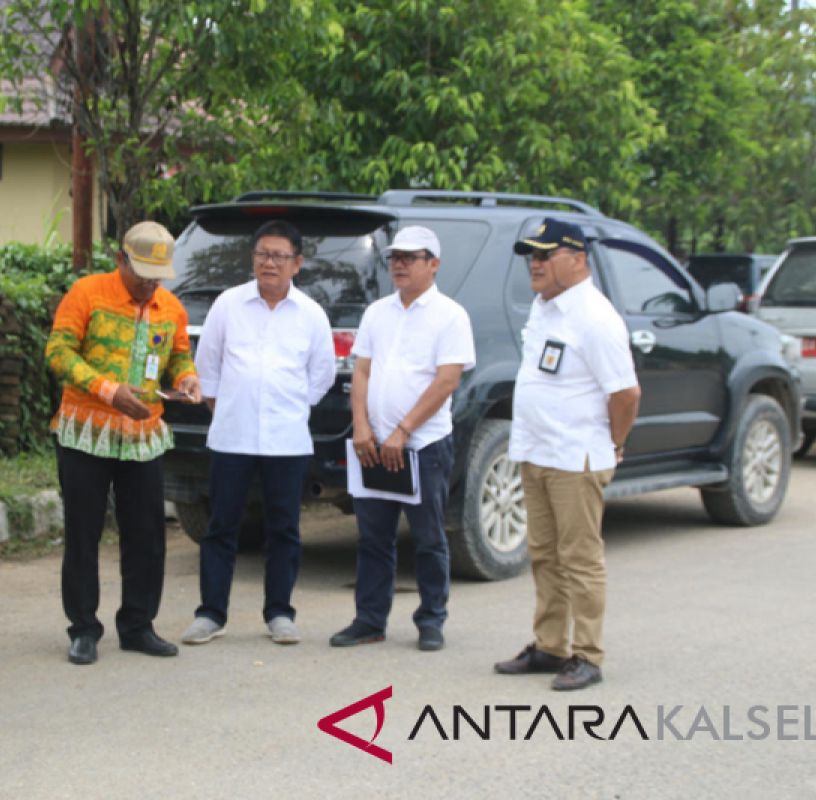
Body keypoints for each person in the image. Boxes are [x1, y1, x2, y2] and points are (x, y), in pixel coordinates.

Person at [493, 217, 641, 691]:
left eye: (544, 255)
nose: (533, 265)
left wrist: (613, 444)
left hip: (575, 455)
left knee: (579, 557)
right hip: (537, 450)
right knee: (544, 554)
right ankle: (550, 645)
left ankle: (587, 654)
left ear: (577, 259)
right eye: (530, 256)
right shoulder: (545, 306)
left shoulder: (595, 317)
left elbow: (625, 394)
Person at [47, 221, 201, 665]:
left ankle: (137, 625)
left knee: (147, 533)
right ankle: (83, 629)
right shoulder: (87, 293)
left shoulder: (170, 307)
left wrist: (187, 379)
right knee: (84, 532)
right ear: (120, 260)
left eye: (157, 274)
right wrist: (107, 390)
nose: (150, 282)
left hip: (142, 437)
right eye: (142, 273)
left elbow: (178, 355)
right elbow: (58, 352)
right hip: (85, 433)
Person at [180, 220, 335, 647]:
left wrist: (286, 408)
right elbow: (207, 369)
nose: (269, 262)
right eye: (262, 254)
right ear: (252, 259)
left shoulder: (311, 315)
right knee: (221, 527)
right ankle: (211, 613)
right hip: (232, 438)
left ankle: (280, 613)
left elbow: (320, 377)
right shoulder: (228, 306)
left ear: (297, 264)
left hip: (287, 441)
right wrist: (231, 410)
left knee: (283, 529)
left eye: (279, 256)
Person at [329, 226, 475, 652]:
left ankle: (431, 620)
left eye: (411, 258)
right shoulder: (378, 312)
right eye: (395, 257)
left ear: (434, 264)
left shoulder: (450, 315)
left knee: (429, 537)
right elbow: (362, 370)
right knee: (373, 536)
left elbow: (447, 380)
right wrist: (361, 425)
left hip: (423, 445)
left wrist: (404, 430)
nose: (399, 265)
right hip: (373, 445)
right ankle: (369, 619)